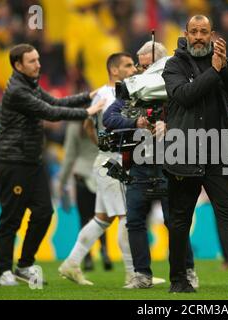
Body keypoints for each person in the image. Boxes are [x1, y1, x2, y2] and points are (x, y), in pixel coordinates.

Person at [162, 15, 228, 293]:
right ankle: (178, 280)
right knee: (180, 218)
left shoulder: (221, 60)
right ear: (185, 33)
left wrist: (224, 68)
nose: (198, 36)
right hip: (182, 149)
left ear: (211, 34)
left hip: (219, 149)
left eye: (203, 32)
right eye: (194, 31)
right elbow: (184, 95)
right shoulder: (174, 65)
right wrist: (214, 71)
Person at [0, 43, 104, 286]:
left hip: (33, 162)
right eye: (32, 61)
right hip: (14, 162)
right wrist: (89, 111)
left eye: (38, 59)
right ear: (18, 65)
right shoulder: (17, 91)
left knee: (44, 213)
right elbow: (51, 113)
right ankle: (4, 271)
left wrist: (87, 96)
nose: (38, 64)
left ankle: (23, 265)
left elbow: (55, 101)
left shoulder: (29, 85)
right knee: (11, 219)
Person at [103, 41, 199, 289]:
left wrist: (170, 126)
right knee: (134, 220)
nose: (141, 70)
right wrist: (136, 123)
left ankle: (187, 271)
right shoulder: (133, 89)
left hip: (170, 164)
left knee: (175, 222)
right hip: (139, 165)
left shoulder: (177, 89)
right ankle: (142, 275)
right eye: (140, 65)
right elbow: (109, 117)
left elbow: (194, 119)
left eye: (147, 65)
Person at [58, 53, 137, 286]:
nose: (133, 69)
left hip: (108, 160)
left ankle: (71, 264)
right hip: (111, 163)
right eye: (128, 65)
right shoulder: (106, 94)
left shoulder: (118, 92)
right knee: (126, 217)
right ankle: (133, 274)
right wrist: (104, 148)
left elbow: (87, 125)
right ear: (114, 70)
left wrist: (101, 146)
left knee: (102, 219)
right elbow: (86, 124)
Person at [58, 120, 112, 272]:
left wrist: (62, 181)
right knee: (102, 217)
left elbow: (69, 155)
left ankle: (87, 258)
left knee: (84, 218)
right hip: (101, 173)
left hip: (82, 173)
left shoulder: (74, 125)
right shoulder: (102, 122)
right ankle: (105, 252)